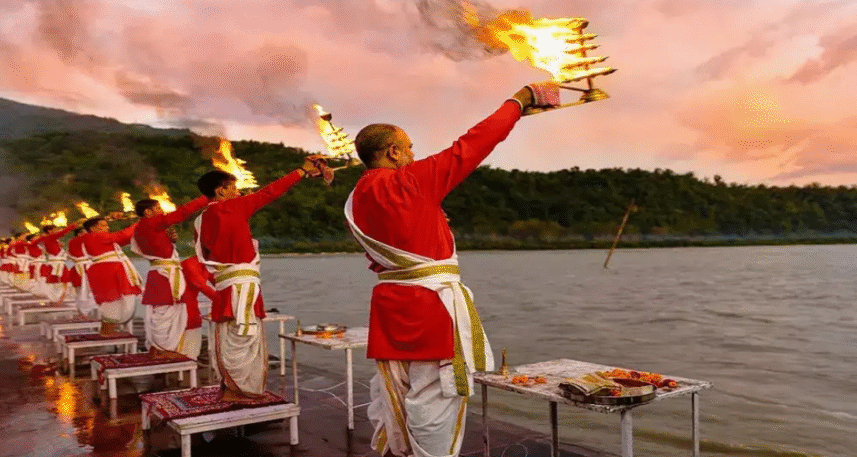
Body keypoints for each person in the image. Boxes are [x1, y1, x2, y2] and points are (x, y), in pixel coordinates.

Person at [344, 82, 558, 457]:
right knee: (436, 398)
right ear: (393, 153)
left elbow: (390, 252)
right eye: (409, 147)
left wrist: (431, 220)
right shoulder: (410, 181)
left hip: (390, 307)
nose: (414, 153)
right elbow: (474, 144)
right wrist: (519, 100)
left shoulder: (356, 198)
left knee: (398, 391)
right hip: (430, 310)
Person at [194, 156, 326, 401]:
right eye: (233, 187)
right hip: (242, 285)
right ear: (220, 191)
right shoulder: (234, 207)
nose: (238, 191)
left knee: (230, 337)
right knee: (245, 338)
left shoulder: (200, 219)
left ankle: (230, 386)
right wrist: (301, 171)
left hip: (226, 285)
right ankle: (239, 391)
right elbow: (271, 192)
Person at [131, 196, 209, 356]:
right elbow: (183, 212)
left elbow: (157, 248)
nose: (161, 211)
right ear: (148, 212)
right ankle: (161, 350)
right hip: (164, 276)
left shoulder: (141, 227)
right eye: (158, 208)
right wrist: (206, 198)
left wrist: (168, 240)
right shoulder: (151, 223)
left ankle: (160, 349)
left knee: (162, 314)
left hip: (159, 274)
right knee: (164, 314)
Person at [82, 214, 141, 335]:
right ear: (93, 228)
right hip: (106, 271)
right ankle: (107, 330)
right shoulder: (96, 236)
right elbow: (122, 235)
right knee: (111, 299)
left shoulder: (100, 238)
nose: (107, 228)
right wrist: (139, 223)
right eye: (103, 225)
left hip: (109, 270)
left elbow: (124, 239)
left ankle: (108, 328)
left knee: (115, 300)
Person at [31, 223, 82, 303]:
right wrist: (74, 224)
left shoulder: (50, 238)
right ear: (49, 231)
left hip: (56, 263)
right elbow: (64, 232)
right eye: (55, 230)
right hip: (56, 264)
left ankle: (58, 299)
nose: (57, 231)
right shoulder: (50, 237)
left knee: (60, 282)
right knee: (60, 282)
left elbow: (34, 243)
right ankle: (58, 299)